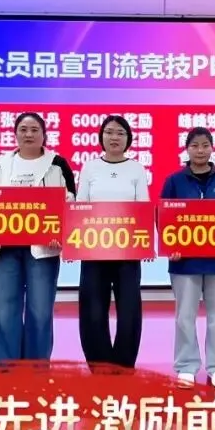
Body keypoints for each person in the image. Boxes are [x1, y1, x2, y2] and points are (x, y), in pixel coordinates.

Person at [0, 112, 76, 363]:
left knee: (40, 311)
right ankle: (6, 367)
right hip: (5, 249)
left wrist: (61, 233)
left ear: (44, 134)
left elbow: (70, 203)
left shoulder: (57, 164)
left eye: (35, 129)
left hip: (43, 249)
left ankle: (37, 367)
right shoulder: (0, 165)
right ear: (15, 134)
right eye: (23, 129)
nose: (29, 134)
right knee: (5, 311)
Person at [160, 127, 215, 389]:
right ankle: (186, 366)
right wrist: (169, 246)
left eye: (205, 145)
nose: (200, 150)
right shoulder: (174, 181)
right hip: (184, 262)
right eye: (195, 145)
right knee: (185, 316)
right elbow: (163, 218)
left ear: (212, 148)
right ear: (187, 149)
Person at [76, 114, 150, 369]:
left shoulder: (136, 168)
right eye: (109, 132)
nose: (114, 137)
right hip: (94, 249)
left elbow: (142, 208)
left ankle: (124, 362)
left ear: (128, 138)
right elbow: (80, 206)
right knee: (93, 308)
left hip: (127, 251)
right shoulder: (90, 168)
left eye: (120, 133)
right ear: (101, 137)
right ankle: (98, 362)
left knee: (129, 309)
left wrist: (144, 243)